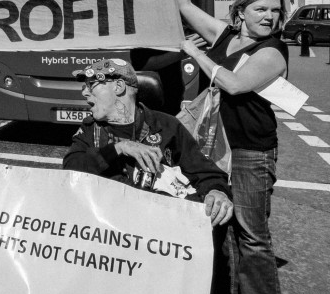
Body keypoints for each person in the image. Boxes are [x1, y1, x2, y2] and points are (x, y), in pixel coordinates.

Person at [175, 0, 288, 294]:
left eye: (275, 10)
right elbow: (184, 5)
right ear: (240, 12)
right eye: (261, 8)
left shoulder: (272, 51)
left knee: (252, 234)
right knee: (216, 227)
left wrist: (196, 54)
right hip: (212, 148)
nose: (269, 16)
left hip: (250, 152)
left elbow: (234, 84)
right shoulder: (224, 36)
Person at [62, 58, 233, 223]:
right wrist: (119, 148)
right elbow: (71, 168)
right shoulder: (90, 129)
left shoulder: (167, 125)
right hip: (109, 229)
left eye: (91, 84)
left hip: (158, 230)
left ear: (119, 86)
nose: (84, 92)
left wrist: (217, 191)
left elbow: (204, 171)